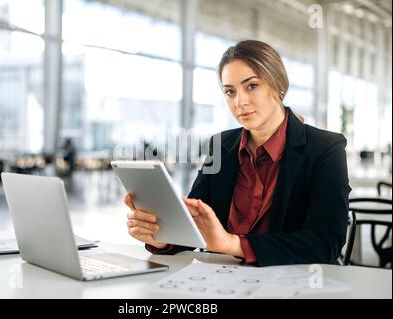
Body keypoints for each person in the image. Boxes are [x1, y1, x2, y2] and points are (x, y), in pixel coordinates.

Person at [124, 40, 351, 266]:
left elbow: (325, 243)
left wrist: (233, 244)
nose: (239, 101)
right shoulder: (221, 146)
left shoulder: (325, 148)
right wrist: (162, 237)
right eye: (230, 91)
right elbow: (196, 225)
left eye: (251, 86)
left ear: (278, 84)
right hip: (223, 280)